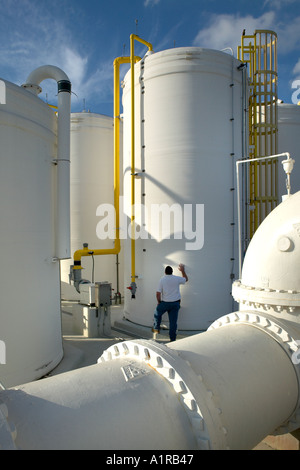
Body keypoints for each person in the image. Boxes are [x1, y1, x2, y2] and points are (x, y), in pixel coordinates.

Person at [152, 264, 188, 342]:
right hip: (175, 304)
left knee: (157, 313)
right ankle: (172, 339)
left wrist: (159, 302)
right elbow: (186, 279)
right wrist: (182, 270)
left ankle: (156, 329)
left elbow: (158, 293)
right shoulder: (176, 279)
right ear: (172, 272)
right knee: (173, 323)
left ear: (165, 272)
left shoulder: (162, 279)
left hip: (165, 303)